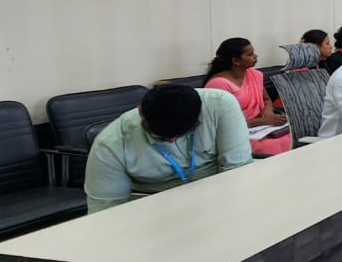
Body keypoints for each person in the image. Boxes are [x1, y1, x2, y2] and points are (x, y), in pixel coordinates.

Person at [84, 84, 253, 213]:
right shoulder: (110, 144)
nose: (171, 140)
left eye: (183, 133)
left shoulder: (220, 106)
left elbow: (237, 173)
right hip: (153, 207)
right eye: (159, 136)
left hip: (219, 196)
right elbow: (106, 210)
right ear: (141, 112)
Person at [202, 38, 291, 156]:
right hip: (234, 134)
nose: (255, 56)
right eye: (250, 54)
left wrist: (267, 111)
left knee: (294, 135)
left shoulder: (252, 74)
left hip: (260, 128)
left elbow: (266, 99)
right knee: (270, 145)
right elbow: (222, 124)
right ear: (236, 61)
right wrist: (262, 121)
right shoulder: (218, 84)